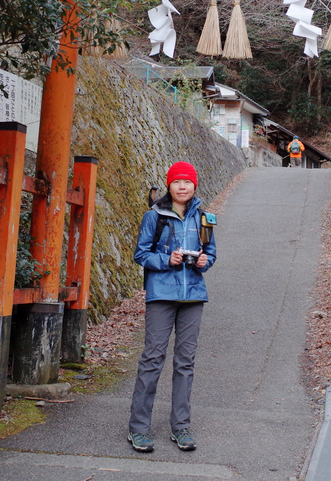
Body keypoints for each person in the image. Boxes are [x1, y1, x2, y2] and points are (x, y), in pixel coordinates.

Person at [128, 161, 216, 454]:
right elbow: (141, 254)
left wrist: (205, 262)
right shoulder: (154, 216)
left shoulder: (203, 217)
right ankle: (138, 429)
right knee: (153, 358)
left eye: (187, 182)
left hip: (193, 296)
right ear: (169, 185)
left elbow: (211, 252)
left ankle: (181, 426)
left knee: (185, 363)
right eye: (177, 181)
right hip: (161, 296)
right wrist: (167, 260)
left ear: (195, 185)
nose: (182, 186)